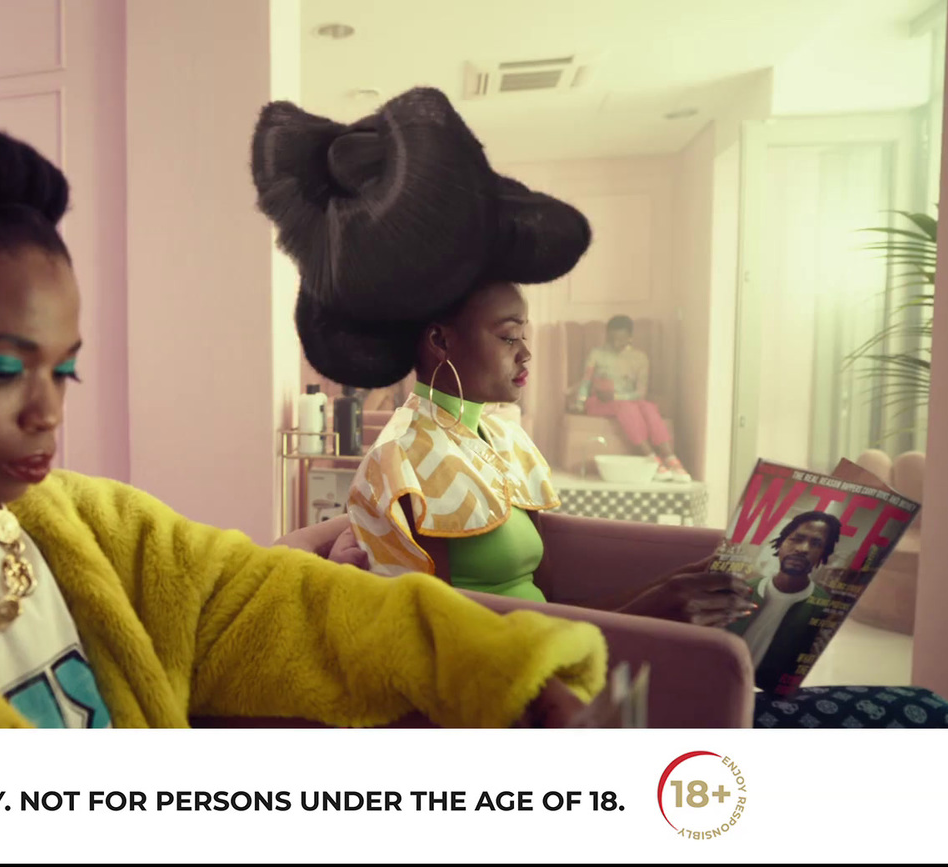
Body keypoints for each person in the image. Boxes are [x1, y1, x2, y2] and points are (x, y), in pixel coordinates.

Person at [0, 128, 611, 729]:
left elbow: (263, 600)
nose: (49, 407)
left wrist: (497, 670)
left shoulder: (77, 531)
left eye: (65, 367)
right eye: (5, 368)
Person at [251, 87, 747, 625]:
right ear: (441, 341)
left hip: (559, 656)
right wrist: (652, 610)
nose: (526, 351)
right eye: (509, 336)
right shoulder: (401, 465)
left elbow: (548, 606)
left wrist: (663, 591)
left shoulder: (505, 438)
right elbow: (447, 642)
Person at [571, 315, 691, 482]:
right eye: (611, 338)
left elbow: (640, 392)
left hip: (627, 400)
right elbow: (586, 381)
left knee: (648, 407)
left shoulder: (640, 358)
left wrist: (617, 396)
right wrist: (579, 402)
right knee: (627, 407)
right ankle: (652, 458)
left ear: (630, 338)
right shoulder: (597, 354)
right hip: (599, 402)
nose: (615, 343)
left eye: (621, 339)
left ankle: (671, 459)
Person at [737, 511, 841, 670]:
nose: (803, 549)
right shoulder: (744, 588)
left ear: (823, 555)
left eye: (816, 544)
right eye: (796, 539)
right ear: (781, 543)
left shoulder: (824, 607)